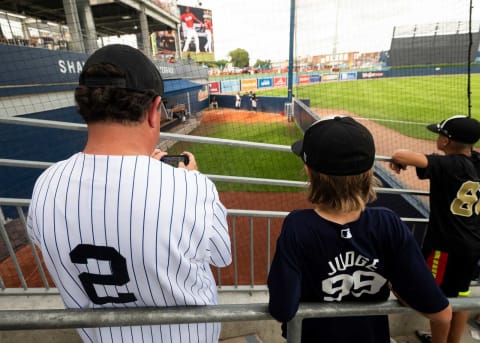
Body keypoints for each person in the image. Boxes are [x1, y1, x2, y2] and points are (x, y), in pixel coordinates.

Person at [26, 44, 232, 343]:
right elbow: (221, 256)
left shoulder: (46, 185)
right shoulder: (190, 188)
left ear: (85, 107)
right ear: (153, 110)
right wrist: (190, 178)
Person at [268, 116, 452, 343]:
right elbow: (442, 314)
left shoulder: (298, 227)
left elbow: (282, 309)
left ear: (309, 171)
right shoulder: (388, 224)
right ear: (368, 173)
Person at [390, 114, 480, 343]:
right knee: (460, 297)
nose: (437, 138)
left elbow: (401, 155)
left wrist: (400, 159)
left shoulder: (447, 164)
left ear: (446, 142)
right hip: (471, 245)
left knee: (433, 297)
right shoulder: (475, 162)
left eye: (440, 134)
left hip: (444, 246)